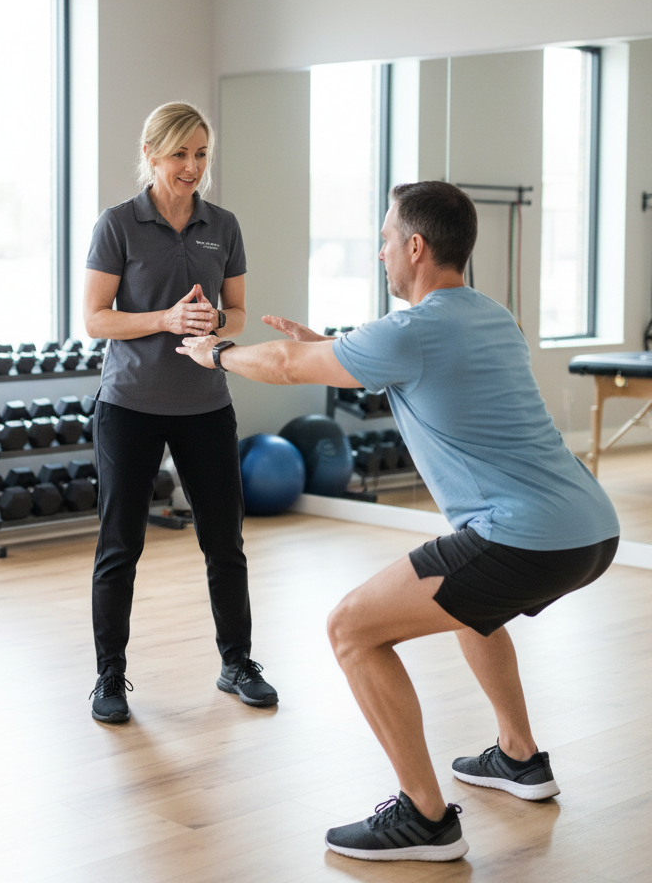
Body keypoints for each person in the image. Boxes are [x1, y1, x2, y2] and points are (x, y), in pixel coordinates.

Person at [176, 180, 619, 861]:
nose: (381, 253)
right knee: (472, 606)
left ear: (415, 246)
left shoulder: (416, 330)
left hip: (524, 537)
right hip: (590, 530)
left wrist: (220, 355)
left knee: (351, 628)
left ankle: (425, 816)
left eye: (386, 240)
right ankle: (519, 757)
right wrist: (329, 343)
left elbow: (295, 367)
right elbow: (406, 366)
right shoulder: (490, 316)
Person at [82, 101, 278, 723]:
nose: (192, 167)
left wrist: (214, 321)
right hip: (129, 406)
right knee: (121, 547)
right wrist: (165, 320)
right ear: (151, 155)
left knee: (226, 543)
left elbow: (239, 313)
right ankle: (109, 675)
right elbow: (94, 319)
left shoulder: (224, 225)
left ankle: (237, 661)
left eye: (200, 155)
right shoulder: (118, 224)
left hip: (205, 405)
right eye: (179, 155)